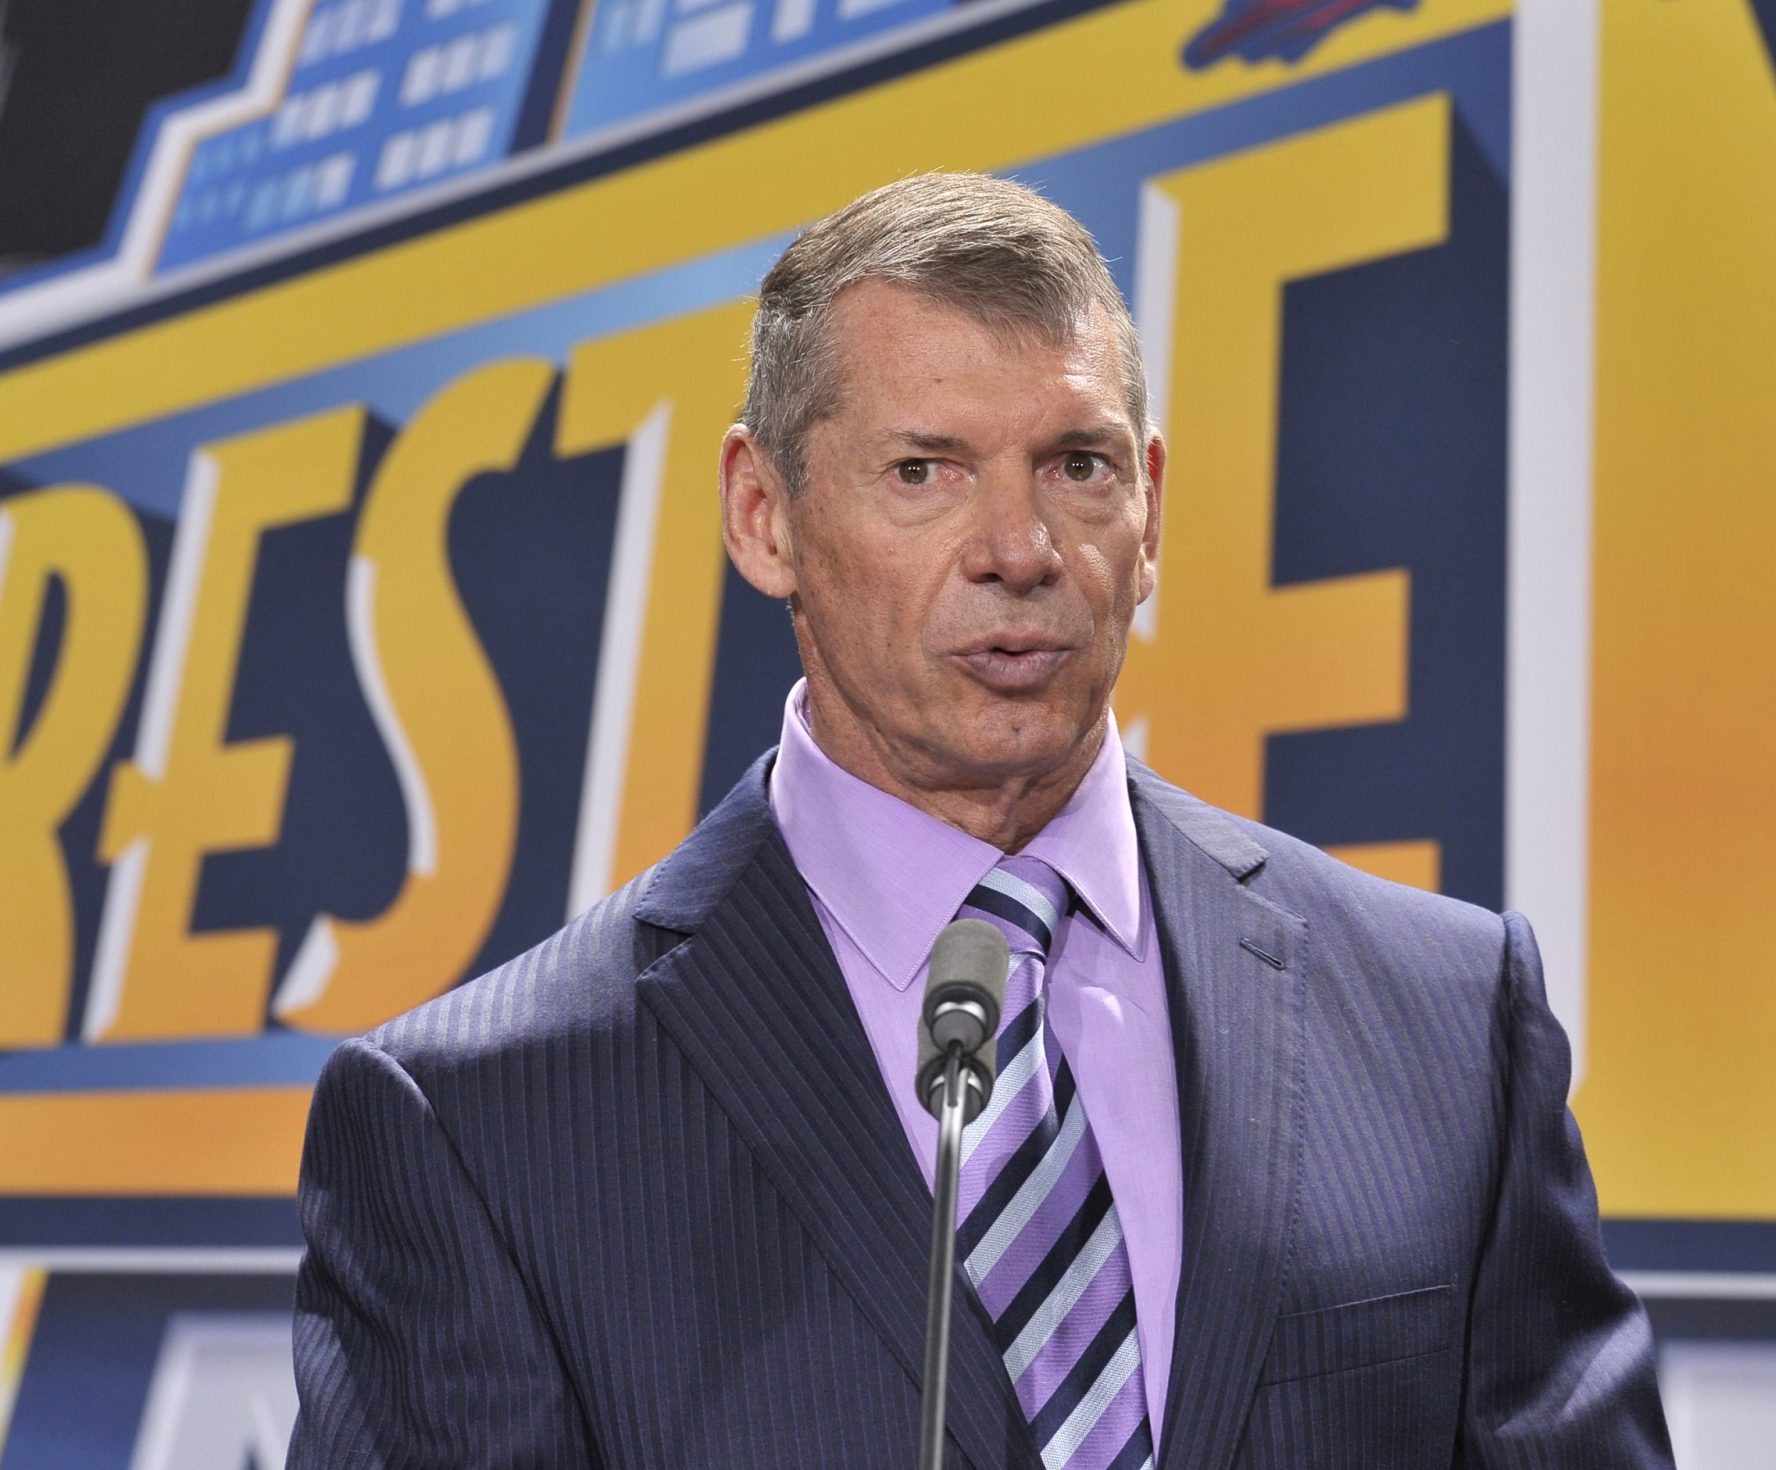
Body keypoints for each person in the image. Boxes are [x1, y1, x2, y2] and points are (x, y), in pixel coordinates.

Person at [288, 172, 1674, 1469]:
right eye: (924, 471)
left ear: (1152, 508)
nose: (1019, 549)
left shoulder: (1446, 1025)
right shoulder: (476, 1128)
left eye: (1076, 465)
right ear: (764, 515)